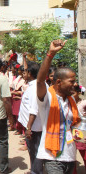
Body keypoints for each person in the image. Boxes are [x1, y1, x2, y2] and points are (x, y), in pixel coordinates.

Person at [36, 39, 80, 174]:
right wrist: (50, 54)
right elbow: (39, 81)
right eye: (71, 81)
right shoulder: (48, 98)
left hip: (70, 156)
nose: (75, 84)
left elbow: (74, 126)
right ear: (59, 82)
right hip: (52, 157)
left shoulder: (71, 100)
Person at [18, 59, 43, 174]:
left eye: (26, 71)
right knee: (32, 150)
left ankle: (36, 171)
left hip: (34, 127)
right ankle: (34, 169)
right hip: (32, 125)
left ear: (30, 74)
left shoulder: (34, 88)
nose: (24, 73)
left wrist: (28, 128)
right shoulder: (33, 85)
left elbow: (34, 109)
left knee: (35, 151)